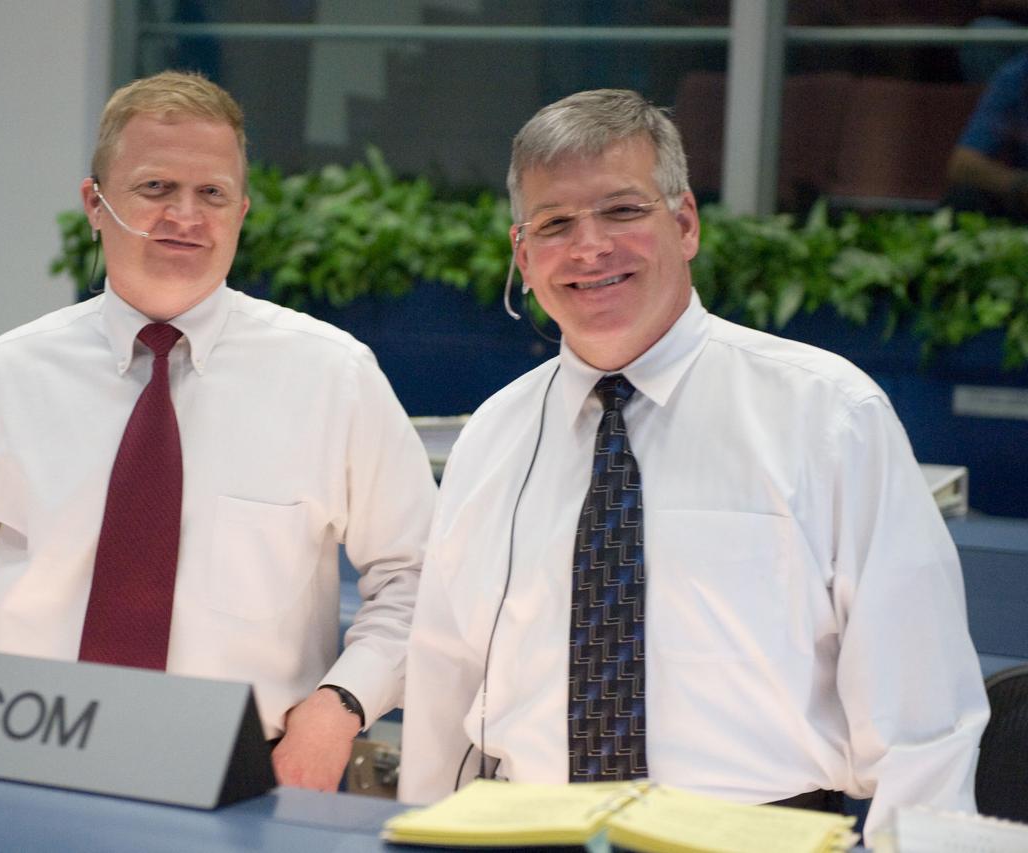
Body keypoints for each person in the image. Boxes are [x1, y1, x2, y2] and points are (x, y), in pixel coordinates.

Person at [398, 89, 989, 838]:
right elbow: (446, 680)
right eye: (555, 224)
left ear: (684, 224)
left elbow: (923, 714)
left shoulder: (828, 414)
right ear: (524, 256)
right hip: (529, 827)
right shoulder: (493, 436)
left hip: (757, 837)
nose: (589, 248)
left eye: (621, 211)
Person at [0, 70, 437, 790]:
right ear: (95, 204)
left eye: (212, 194)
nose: (186, 215)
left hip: (253, 777)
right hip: (17, 765)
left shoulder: (333, 376)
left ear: (242, 211)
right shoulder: (7, 376)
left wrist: (336, 711)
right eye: (155, 188)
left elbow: (420, 579)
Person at [946, 47, 1028, 221]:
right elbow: (962, 163)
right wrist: (1019, 185)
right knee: (964, 197)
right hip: (1022, 195)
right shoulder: (1017, 75)